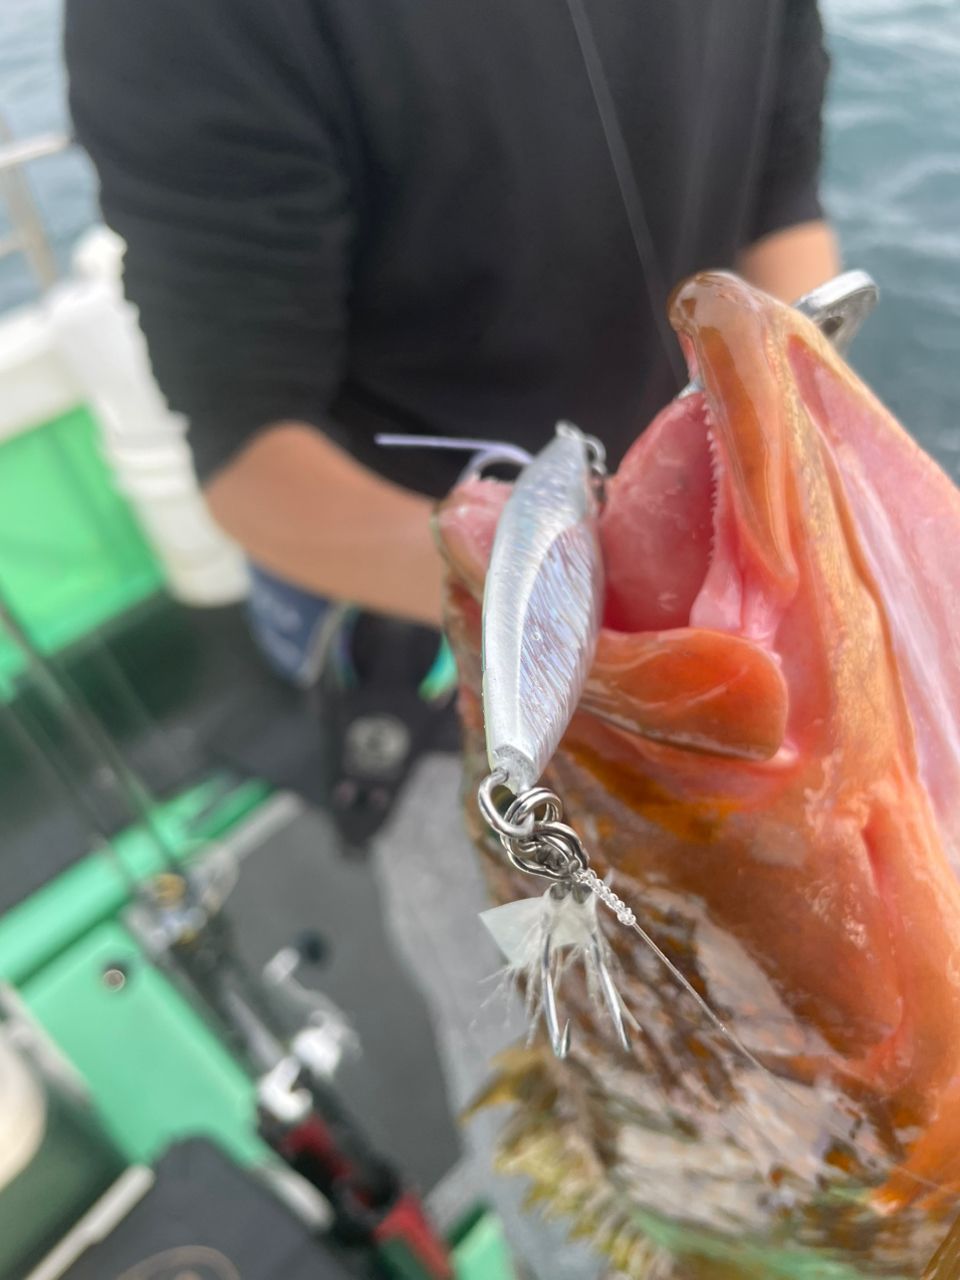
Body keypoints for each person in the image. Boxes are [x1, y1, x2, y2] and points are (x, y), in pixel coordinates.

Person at [65, 0, 838, 630]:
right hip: (408, 589)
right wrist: (589, 608)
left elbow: (781, 201)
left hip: (705, 562)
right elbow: (248, 450)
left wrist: (800, 474)